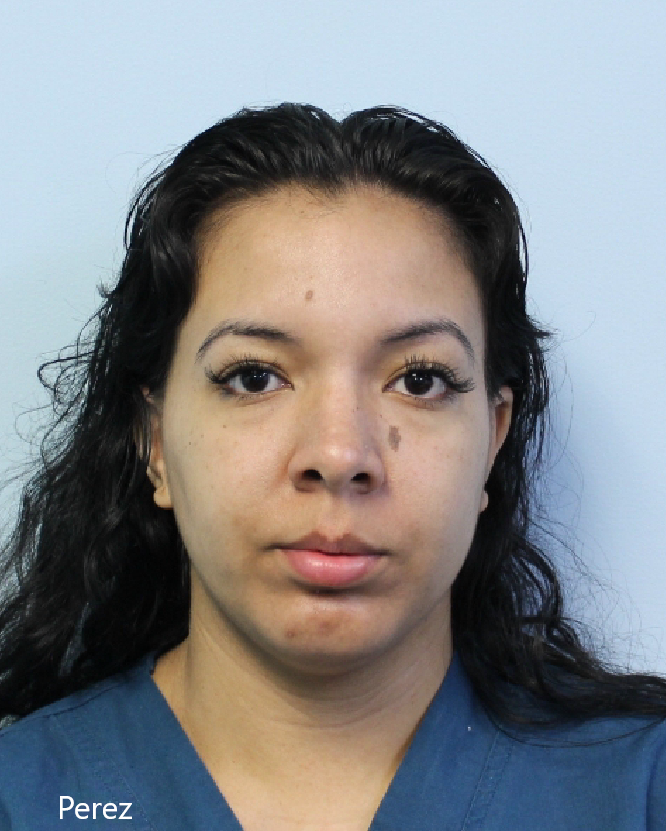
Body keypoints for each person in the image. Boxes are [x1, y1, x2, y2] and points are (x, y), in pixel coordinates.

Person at [0, 103, 664, 830]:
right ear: (154, 439)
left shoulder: (640, 791)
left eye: (419, 380)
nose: (340, 456)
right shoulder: (23, 800)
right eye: (254, 377)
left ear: (492, 441)